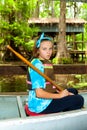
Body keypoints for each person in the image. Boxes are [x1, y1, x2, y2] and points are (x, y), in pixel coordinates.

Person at [25, 33, 84, 115]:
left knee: (73, 91)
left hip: (46, 98)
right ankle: (62, 114)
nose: (48, 52)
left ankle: (62, 107)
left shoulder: (44, 61)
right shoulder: (37, 65)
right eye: (44, 49)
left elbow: (48, 84)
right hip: (40, 105)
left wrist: (60, 92)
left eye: (50, 49)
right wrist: (60, 96)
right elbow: (39, 93)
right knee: (79, 100)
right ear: (38, 50)